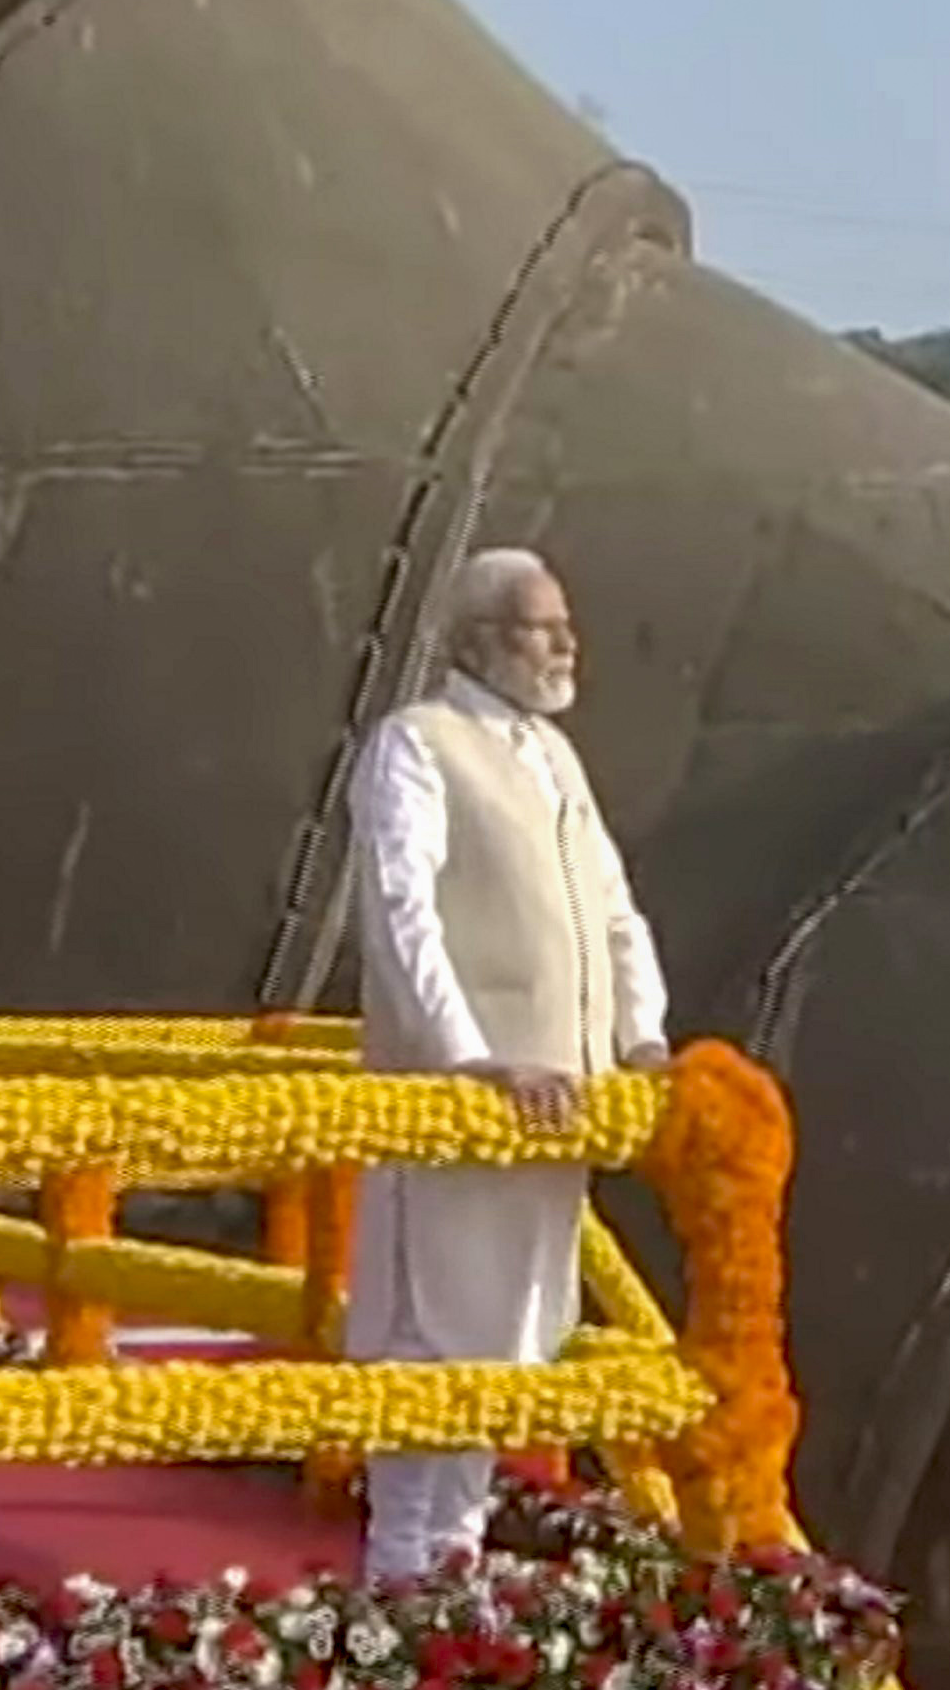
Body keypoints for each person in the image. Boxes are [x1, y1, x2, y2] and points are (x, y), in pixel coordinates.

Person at [338, 547, 672, 1582]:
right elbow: (402, 916)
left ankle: (458, 1561)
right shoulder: (417, 745)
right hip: (459, 1106)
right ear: (479, 640)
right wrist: (468, 1060)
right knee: (427, 1337)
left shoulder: (556, 760)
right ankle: (398, 1574)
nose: (567, 643)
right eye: (542, 626)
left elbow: (612, 910)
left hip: (560, 1108)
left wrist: (643, 1037)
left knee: (509, 1338)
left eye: (566, 624)